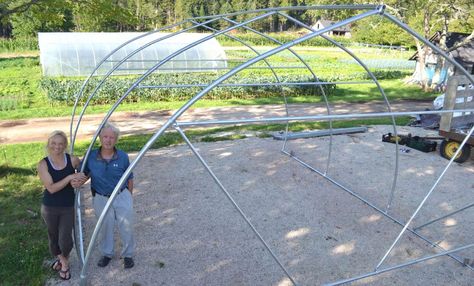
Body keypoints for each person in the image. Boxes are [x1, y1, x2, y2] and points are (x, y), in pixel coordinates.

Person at [83, 122, 135, 269]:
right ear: (100, 137)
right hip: (101, 197)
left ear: (116, 139)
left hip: (121, 195)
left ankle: (128, 255)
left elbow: (129, 177)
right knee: (105, 226)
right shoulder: (92, 156)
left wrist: (128, 197)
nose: (108, 140)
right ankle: (107, 253)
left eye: (112, 137)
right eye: (105, 136)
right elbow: (84, 173)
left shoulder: (123, 156)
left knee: (127, 226)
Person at [38, 130, 87, 280]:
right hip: (49, 207)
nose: (57, 147)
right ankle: (64, 262)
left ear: (65, 145)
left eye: (60, 144)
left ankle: (63, 259)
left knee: (65, 240)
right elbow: (51, 188)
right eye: (53, 143)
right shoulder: (43, 164)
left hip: (67, 207)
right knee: (53, 237)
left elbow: (86, 170)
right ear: (48, 144)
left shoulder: (72, 160)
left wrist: (80, 180)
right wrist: (70, 177)